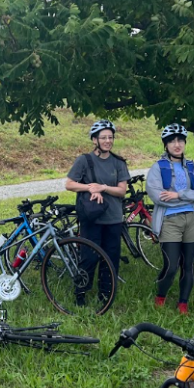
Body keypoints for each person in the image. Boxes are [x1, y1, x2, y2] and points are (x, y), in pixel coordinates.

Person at [64, 120, 130, 305]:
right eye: (103, 137)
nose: (108, 141)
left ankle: (106, 294)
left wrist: (103, 188)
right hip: (91, 218)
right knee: (89, 257)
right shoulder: (84, 160)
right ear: (95, 140)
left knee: (111, 257)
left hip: (113, 218)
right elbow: (69, 184)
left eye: (110, 137)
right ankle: (81, 294)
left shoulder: (118, 163)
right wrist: (89, 188)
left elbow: (122, 190)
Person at [146, 124, 194, 314]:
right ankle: (161, 294)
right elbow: (157, 196)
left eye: (180, 140)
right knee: (171, 265)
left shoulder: (191, 166)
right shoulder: (158, 167)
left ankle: (183, 302)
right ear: (165, 145)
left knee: (188, 264)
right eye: (172, 141)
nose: (177, 144)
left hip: (192, 219)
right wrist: (189, 195)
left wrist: (178, 195)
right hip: (169, 220)